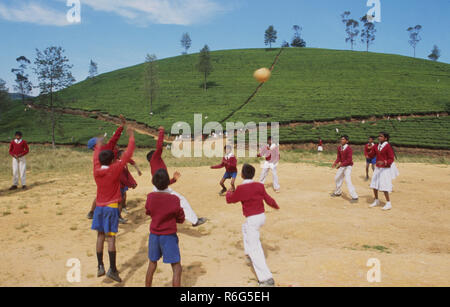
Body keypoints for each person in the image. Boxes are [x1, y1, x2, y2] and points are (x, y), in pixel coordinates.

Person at [91, 126, 135, 283]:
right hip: (111, 208)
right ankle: (113, 269)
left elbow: (96, 158)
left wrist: (98, 145)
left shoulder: (96, 170)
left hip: (99, 208)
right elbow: (127, 154)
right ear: (111, 160)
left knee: (100, 236)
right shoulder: (115, 169)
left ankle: (100, 266)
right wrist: (131, 137)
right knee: (110, 239)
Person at [226, 164, 280, 287]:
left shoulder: (241, 188)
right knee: (244, 228)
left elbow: (230, 200)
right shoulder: (259, 186)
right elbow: (268, 199)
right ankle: (248, 253)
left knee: (255, 248)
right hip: (261, 216)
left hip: (253, 219)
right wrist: (275, 205)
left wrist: (230, 191)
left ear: (242, 175)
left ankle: (266, 278)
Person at [147, 126, 206, 227]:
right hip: (161, 189)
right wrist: (161, 131)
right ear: (154, 155)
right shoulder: (155, 159)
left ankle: (161, 222)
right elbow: (159, 146)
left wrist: (173, 180)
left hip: (158, 188)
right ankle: (195, 221)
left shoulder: (154, 164)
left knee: (163, 205)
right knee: (181, 200)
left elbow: (163, 182)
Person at [145, 169, 185, 287]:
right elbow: (181, 218)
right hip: (169, 236)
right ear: (168, 182)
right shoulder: (174, 199)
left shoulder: (150, 197)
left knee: (152, 264)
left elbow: (148, 211)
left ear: (153, 182)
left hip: (154, 235)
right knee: (176, 268)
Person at [87, 115, 126, 219]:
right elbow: (114, 139)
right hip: (110, 175)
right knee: (117, 195)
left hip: (100, 176)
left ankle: (91, 212)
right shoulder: (105, 148)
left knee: (101, 193)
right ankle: (117, 216)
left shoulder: (95, 155)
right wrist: (122, 125)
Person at [368, 132, 397, 211]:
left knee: (384, 186)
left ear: (385, 138)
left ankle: (388, 203)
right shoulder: (377, 146)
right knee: (374, 184)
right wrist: (368, 151)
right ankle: (376, 200)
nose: (379, 137)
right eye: (379, 136)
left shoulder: (388, 146)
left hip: (385, 168)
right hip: (378, 167)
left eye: (381, 136)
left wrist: (384, 162)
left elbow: (391, 159)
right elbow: (372, 154)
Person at [331, 135, 359, 202]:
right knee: (337, 178)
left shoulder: (349, 149)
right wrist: (335, 163)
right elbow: (339, 157)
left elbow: (349, 160)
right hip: (342, 165)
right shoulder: (339, 148)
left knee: (347, 180)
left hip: (348, 166)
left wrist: (340, 165)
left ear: (347, 141)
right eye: (341, 139)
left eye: (343, 139)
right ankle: (338, 192)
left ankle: (355, 197)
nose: (341, 140)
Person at [117, 150, 141, 224]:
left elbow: (127, 174)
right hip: (119, 186)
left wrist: (132, 183)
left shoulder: (124, 163)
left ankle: (119, 215)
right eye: (124, 155)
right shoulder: (120, 164)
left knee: (122, 198)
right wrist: (131, 184)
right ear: (120, 156)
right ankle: (118, 217)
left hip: (122, 185)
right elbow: (122, 178)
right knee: (119, 202)